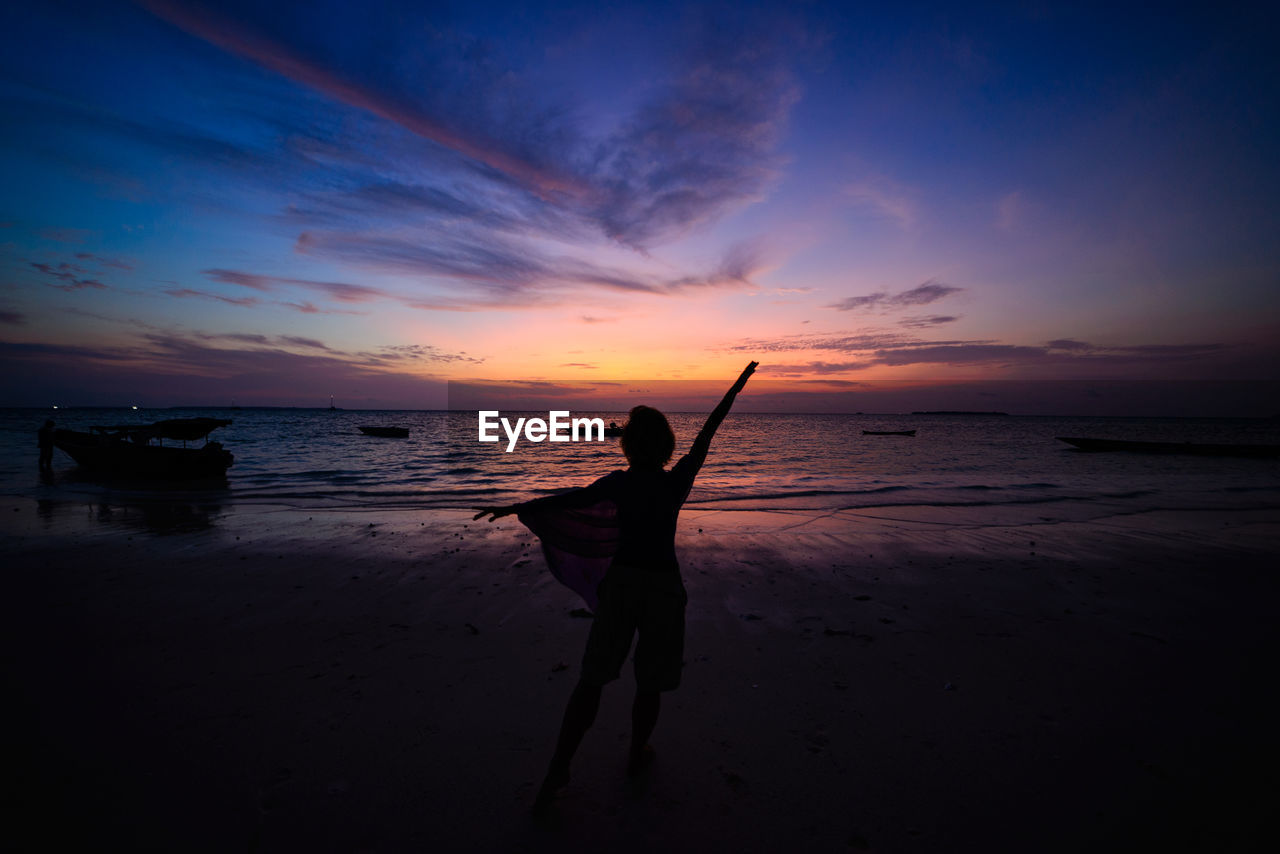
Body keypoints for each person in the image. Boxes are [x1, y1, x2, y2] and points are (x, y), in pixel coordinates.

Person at [474, 361, 758, 811]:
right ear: (665, 446)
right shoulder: (676, 482)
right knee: (649, 682)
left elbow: (565, 503)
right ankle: (636, 752)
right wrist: (738, 386)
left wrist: (517, 507)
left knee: (592, 679)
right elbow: (709, 432)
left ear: (627, 445)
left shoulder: (618, 484)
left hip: (622, 584)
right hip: (663, 587)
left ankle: (559, 767)